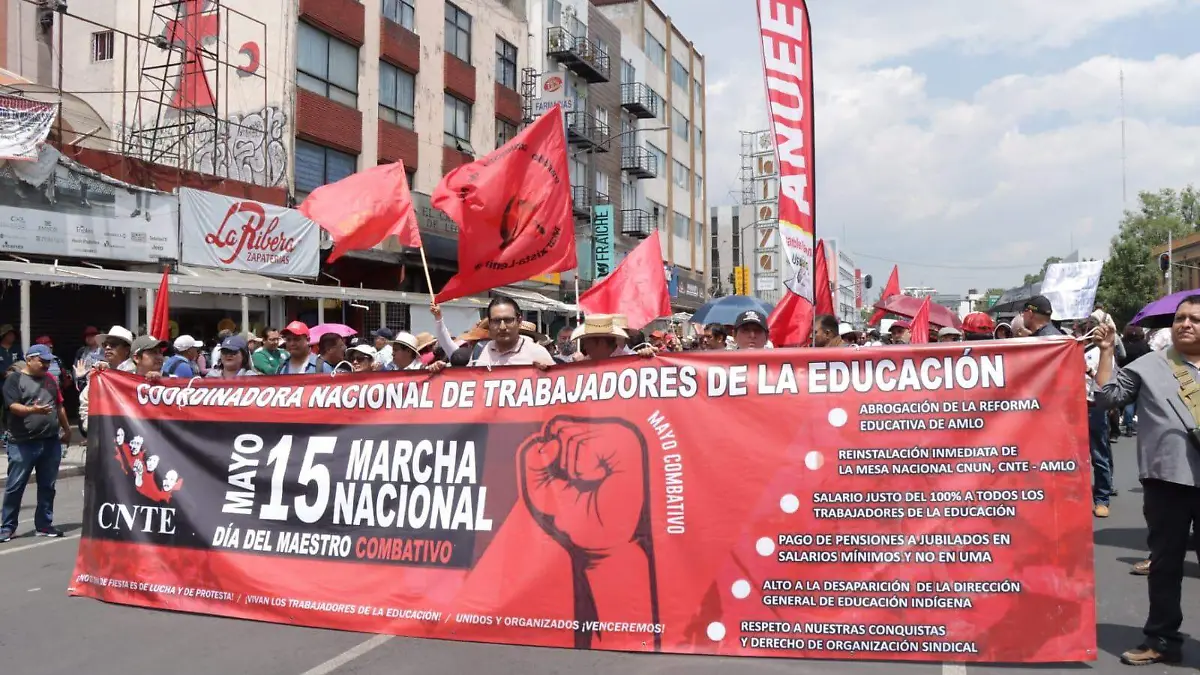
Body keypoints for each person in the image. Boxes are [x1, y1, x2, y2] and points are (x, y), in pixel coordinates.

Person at [1092, 295, 1200, 666]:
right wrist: (1106, 351)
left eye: (1195, 319)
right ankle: (1161, 640)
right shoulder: (1149, 365)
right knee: (1165, 567)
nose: (1186, 324)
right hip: (1166, 482)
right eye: (1181, 318)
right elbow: (1107, 398)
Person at [1, 345, 71, 541]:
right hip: (23, 443)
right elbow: (12, 406)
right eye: (42, 361)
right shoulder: (14, 379)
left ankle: (44, 524)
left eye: (49, 361)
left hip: (50, 441)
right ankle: (7, 527)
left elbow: (59, 406)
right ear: (29, 359)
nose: (46, 365)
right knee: (15, 486)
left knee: (48, 486)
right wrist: (33, 411)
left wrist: (66, 430)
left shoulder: (50, 380)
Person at [433, 296, 553, 370]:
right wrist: (444, 372)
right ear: (489, 324)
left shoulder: (537, 352)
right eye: (496, 321)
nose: (502, 327)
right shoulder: (479, 352)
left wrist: (549, 372)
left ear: (519, 321)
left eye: (508, 320)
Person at [1081, 317, 1115, 518]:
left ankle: (1102, 498)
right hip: (1072, 408)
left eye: (1094, 329)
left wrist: (1089, 370)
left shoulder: (1102, 351)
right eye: (1086, 329)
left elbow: (1109, 380)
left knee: (1099, 454)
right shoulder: (1069, 350)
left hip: (1094, 406)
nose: (1091, 333)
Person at [1119, 325, 1152, 436]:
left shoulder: (1124, 344)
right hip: (1141, 373)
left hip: (1126, 373)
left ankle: (1128, 424)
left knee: (1129, 400)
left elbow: (1120, 358)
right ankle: (1132, 423)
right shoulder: (1143, 345)